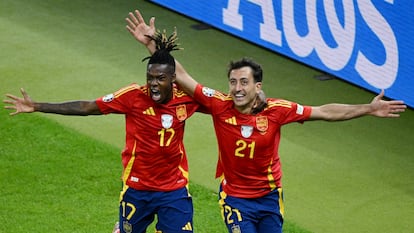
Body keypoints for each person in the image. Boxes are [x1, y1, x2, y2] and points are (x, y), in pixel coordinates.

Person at [127, 9, 407, 233]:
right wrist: (153, 44)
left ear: (257, 86)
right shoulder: (219, 104)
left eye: (244, 82)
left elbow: (325, 111)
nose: (237, 88)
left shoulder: (277, 110)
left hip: (270, 197)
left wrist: (368, 109)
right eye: (233, 82)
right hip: (235, 199)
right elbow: (182, 76)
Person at [4, 29, 206, 233]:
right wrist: (38, 106)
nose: (153, 84)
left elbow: (218, 105)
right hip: (137, 187)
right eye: (149, 78)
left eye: (160, 78)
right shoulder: (133, 96)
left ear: (173, 79)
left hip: (173, 189)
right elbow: (87, 108)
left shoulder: (186, 99)